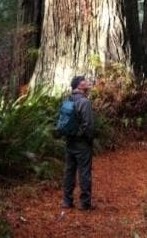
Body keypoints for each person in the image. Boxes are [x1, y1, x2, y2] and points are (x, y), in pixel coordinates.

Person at [62, 75, 95, 210]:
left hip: (69, 141)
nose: (87, 83)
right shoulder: (84, 102)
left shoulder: (68, 100)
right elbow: (88, 125)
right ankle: (85, 203)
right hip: (82, 143)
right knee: (84, 172)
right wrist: (89, 139)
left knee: (69, 171)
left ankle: (67, 201)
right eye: (84, 81)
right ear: (79, 85)